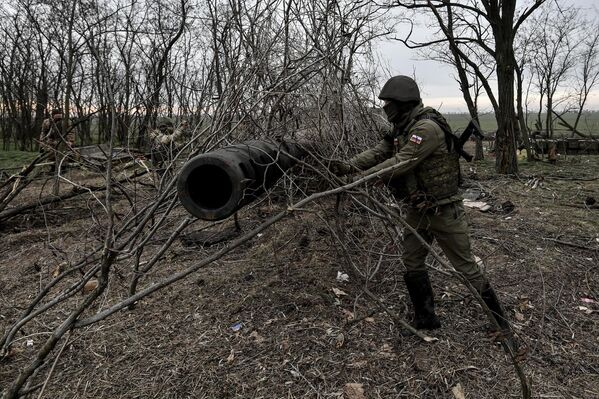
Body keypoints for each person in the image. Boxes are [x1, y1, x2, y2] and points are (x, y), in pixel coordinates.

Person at [330, 76, 511, 336]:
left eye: (388, 103)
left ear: (402, 102)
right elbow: (380, 151)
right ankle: (425, 318)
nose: (385, 108)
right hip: (418, 209)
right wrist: (348, 165)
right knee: (412, 260)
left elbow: (401, 162)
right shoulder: (403, 127)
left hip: (444, 211)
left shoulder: (425, 129)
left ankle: (500, 324)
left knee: (466, 267)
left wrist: (360, 180)